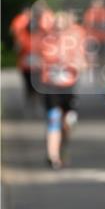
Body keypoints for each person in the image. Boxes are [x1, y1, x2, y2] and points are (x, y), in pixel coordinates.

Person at [39, 9, 87, 169]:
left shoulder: (74, 42)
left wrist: (74, 64)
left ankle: (62, 145)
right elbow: (39, 61)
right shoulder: (46, 42)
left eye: (61, 26)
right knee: (53, 119)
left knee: (68, 122)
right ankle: (52, 157)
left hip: (69, 88)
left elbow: (84, 64)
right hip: (51, 88)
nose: (58, 29)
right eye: (56, 26)